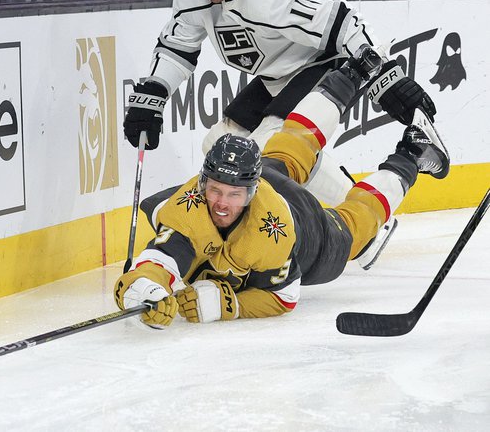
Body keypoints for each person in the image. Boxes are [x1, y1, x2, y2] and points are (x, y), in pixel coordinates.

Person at [113, 45, 450, 327]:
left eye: (233, 195)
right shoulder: (190, 206)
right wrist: (145, 287)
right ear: (202, 183)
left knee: (355, 224)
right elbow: (162, 260)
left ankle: (412, 152)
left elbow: (283, 297)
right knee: (290, 144)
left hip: (305, 229)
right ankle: (352, 73)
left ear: (250, 192)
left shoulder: (270, 233)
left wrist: (230, 306)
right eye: (215, 190)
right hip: (268, 179)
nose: (221, 203)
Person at [123, 0, 436, 209]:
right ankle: (349, 209)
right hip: (277, 76)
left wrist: (386, 77)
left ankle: (361, 224)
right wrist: (154, 92)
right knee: (216, 146)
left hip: (322, 63)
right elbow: (177, 48)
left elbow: (342, 23)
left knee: (268, 149)